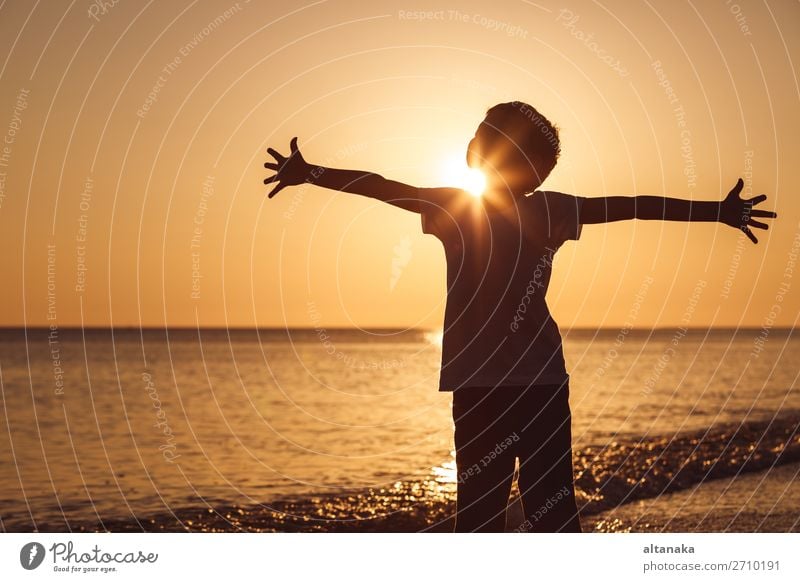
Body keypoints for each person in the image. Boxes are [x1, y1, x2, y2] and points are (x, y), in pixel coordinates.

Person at [263, 101, 777, 532]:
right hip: (535, 384)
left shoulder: (456, 208)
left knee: (490, 518)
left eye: (487, 135)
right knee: (546, 516)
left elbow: (376, 184)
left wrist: (309, 173)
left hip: (492, 387)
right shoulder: (540, 209)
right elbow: (634, 204)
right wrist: (717, 211)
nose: (477, 140)